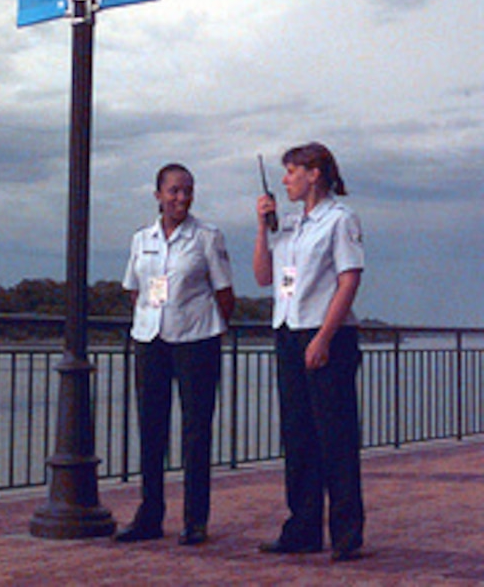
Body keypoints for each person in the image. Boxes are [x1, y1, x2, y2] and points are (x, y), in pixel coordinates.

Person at [253, 142, 365, 562]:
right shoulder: (289, 224)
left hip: (325, 334)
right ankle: (301, 528)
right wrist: (263, 229)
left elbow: (349, 280)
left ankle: (346, 533)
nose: (285, 180)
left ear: (314, 173)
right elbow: (265, 278)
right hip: (288, 331)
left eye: (291, 172)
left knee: (335, 436)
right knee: (298, 436)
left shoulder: (340, 219)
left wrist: (323, 338)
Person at [114, 163, 235, 546]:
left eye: (187, 190)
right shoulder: (142, 238)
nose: (181, 198)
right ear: (158, 195)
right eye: (174, 191)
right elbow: (135, 288)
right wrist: (152, 317)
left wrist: (203, 324)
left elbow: (224, 293)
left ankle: (195, 520)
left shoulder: (206, 237)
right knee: (151, 429)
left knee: (196, 431)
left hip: (196, 340)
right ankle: (150, 515)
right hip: (151, 340)